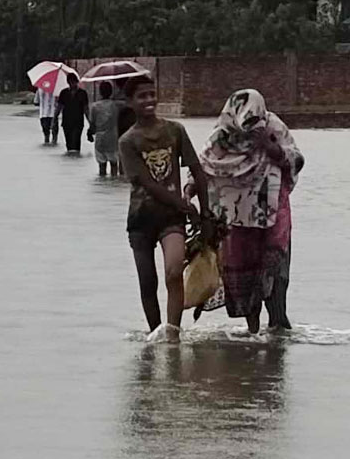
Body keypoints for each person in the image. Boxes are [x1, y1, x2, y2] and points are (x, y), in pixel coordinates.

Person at [199, 89, 305, 334]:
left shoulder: (274, 127)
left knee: (275, 271)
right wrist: (190, 190)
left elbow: (296, 160)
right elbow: (205, 166)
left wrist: (270, 147)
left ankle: (279, 328)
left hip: (273, 215)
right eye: (247, 121)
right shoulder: (222, 136)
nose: (252, 126)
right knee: (244, 273)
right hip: (237, 221)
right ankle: (253, 332)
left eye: (255, 120)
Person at [118, 76, 213, 343]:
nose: (148, 101)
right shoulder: (128, 141)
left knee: (173, 272)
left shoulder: (175, 131)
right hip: (141, 219)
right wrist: (185, 205)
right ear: (131, 103)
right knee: (148, 282)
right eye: (141, 96)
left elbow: (198, 171)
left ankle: (172, 336)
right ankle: (154, 334)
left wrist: (205, 213)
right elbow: (146, 183)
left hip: (171, 219)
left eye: (151, 94)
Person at [88, 82, 122, 176]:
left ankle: (103, 187)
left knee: (102, 165)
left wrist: (89, 134)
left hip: (100, 139)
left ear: (100, 92)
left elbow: (92, 124)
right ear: (111, 92)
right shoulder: (116, 105)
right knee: (114, 164)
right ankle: (113, 183)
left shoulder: (95, 106)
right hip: (113, 138)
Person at [56, 75, 90, 154]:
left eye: (73, 82)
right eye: (70, 82)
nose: (72, 84)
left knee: (76, 142)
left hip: (78, 122)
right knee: (69, 144)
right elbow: (59, 107)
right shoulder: (64, 93)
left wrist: (90, 122)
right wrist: (54, 119)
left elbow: (86, 109)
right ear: (68, 82)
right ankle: (71, 159)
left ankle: (76, 157)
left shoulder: (82, 93)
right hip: (66, 122)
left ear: (76, 82)